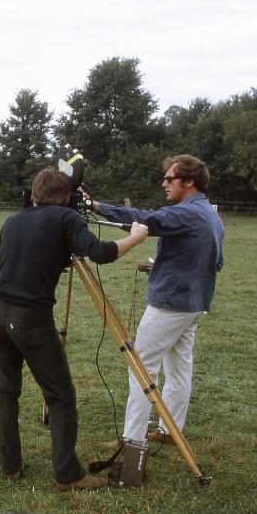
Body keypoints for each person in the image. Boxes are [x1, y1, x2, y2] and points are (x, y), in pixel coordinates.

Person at [0, 168, 148, 491]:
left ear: (34, 194)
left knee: (6, 393)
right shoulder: (66, 219)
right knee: (61, 395)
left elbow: (7, 258)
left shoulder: (12, 221)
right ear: (66, 198)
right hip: (31, 317)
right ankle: (68, 475)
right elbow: (100, 253)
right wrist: (136, 237)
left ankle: (11, 466)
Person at [89, 154, 224, 448]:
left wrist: (95, 206)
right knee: (179, 368)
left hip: (171, 303)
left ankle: (133, 439)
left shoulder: (186, 213)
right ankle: (169, 430)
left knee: (142, 366)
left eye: (170, 178)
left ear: (188, 181)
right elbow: (216, 261)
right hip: (195, 302)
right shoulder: (210, 214)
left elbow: (145, 219)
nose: (164, 183)